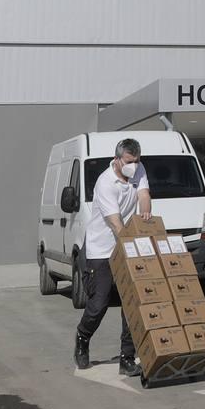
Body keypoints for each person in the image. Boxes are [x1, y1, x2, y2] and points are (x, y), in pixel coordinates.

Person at [74, 138, 151, 376]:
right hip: (101, 250)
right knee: (99, 304)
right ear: (117, 159)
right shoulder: (105, 182)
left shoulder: (138, 170)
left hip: (125, 246)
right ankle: (82, 338)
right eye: (129, 162)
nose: (134, 166)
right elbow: (115, 222)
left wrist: (146, 213)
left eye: (137, 161)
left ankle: (127, 358)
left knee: (130, 303)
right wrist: (131, 243)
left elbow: (144, 193)